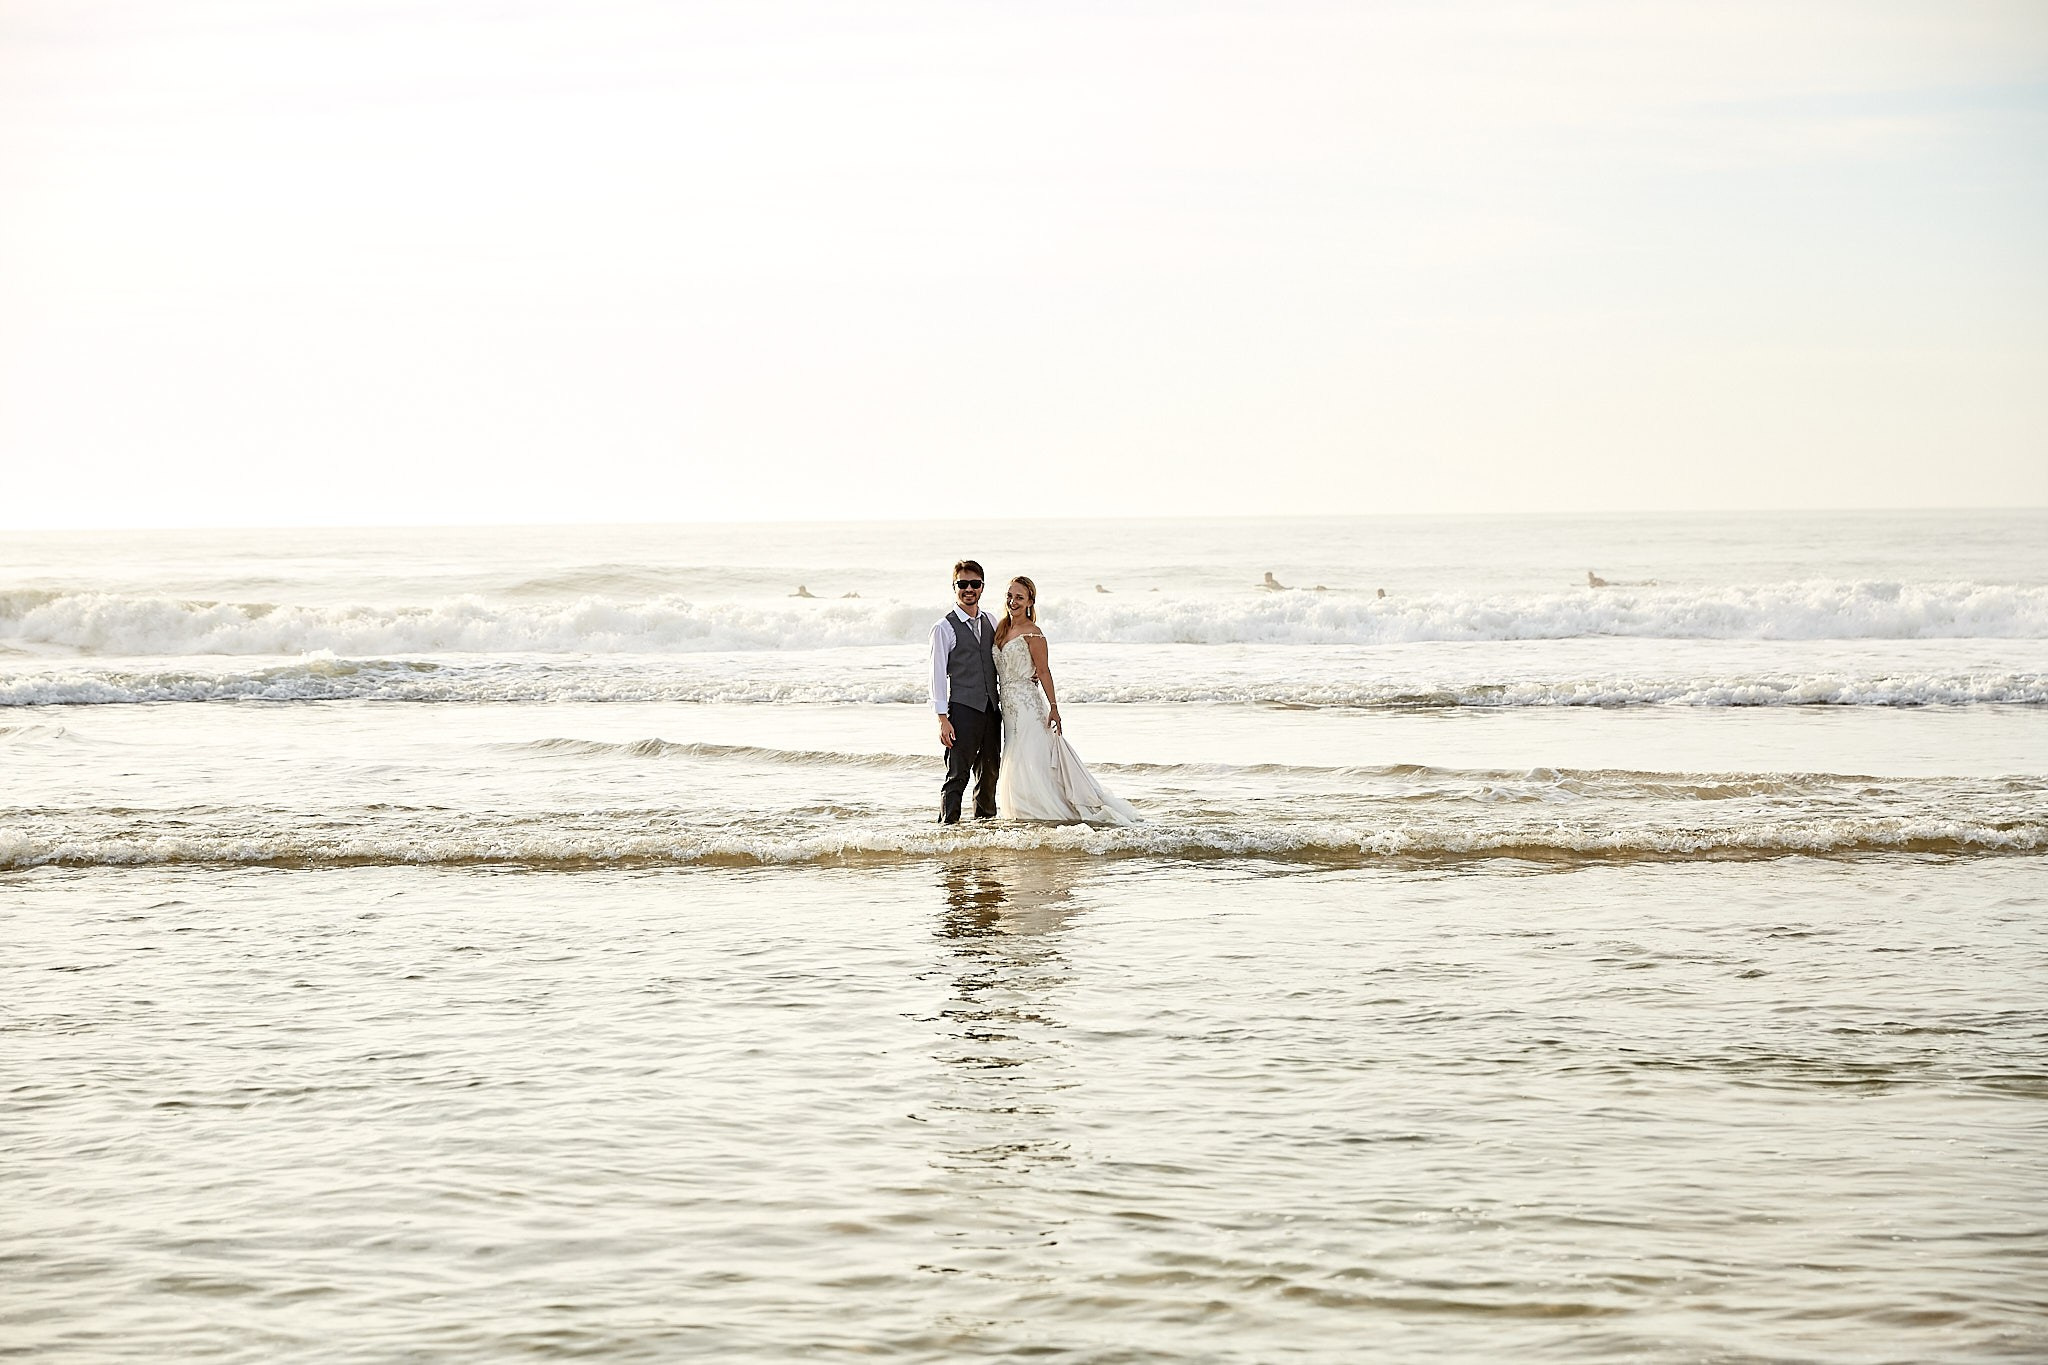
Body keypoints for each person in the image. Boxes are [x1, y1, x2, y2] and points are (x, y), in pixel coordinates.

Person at [991, 576, 1140, 826]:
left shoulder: (1034, 633)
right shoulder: (1001, 629)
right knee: (1016, 757)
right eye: (1009, 596)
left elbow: (1044, 671)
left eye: (1019, 597)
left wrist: (1054, 708)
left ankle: (1042, 812)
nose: (1012, 601)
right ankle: (1022, 812)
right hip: (1007, 706)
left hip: (1028, 705)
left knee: (1031, 757)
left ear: (1030, 602)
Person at [929, 560, 1000, 823]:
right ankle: (948, 831)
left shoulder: (991, 620)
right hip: (962, 710)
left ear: (982, 587)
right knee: (958, 775)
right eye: (963, 584)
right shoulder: (943, 628)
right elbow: (936, 674)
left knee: (990, 773)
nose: (969, 589)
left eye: (975, 584)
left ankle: (984, 827)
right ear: (954, 587)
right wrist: (942, 718)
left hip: (991, 711)